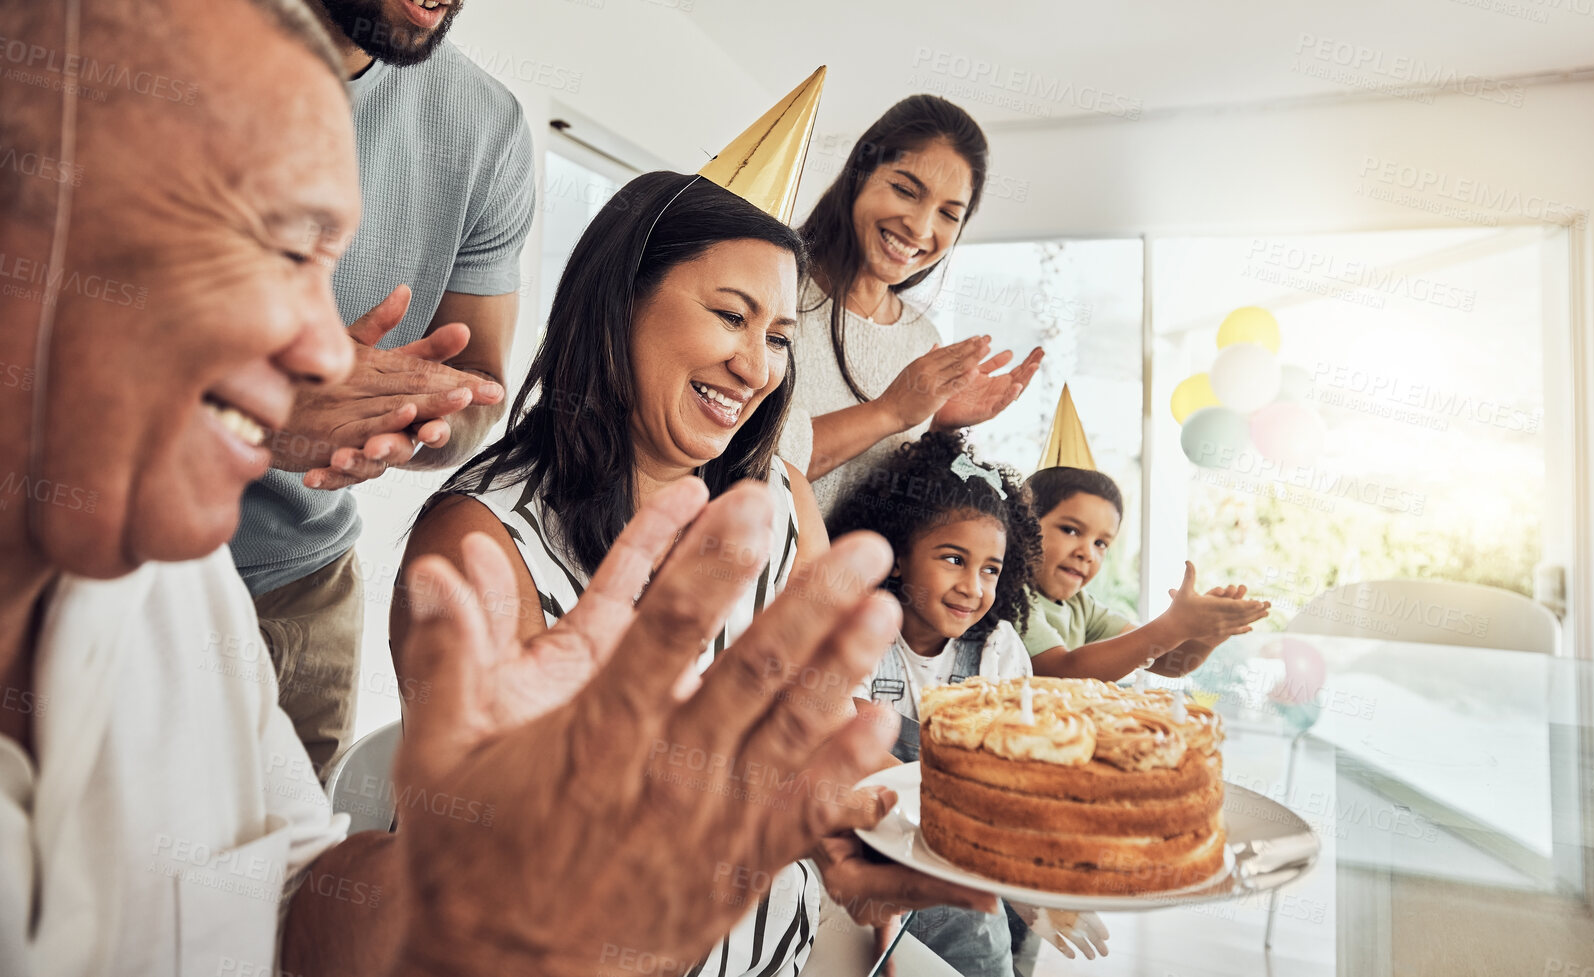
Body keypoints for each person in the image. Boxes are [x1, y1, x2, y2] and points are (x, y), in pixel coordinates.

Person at [0, 0, 910, 977]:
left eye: (779, 334)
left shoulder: (182, 605)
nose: (324, 345)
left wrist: (500, 902)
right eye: (263, 243)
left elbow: (283, 899)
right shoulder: (482, 546)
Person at [399, 165, 998, 973]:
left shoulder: (776, 498)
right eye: (730, 316)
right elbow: (503, 851)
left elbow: (823, 718)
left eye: (779, 335)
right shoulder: (483, 539)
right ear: (620, 302)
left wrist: (971, 831)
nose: (758, 367)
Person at [229, 0, 536, 773]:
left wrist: (401, 417)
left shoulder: (485, 130)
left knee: (261, 905)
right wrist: (248, 412)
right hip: (53, 551)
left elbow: (475, 386)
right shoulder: (96, 21)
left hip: (295, 591)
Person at [831, 431, 1107, 976]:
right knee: (972, 920)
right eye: (953, 559)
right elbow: (856, 752)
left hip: (975, 831)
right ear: (897, 556)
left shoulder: (998, 647)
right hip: (883, 831)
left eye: (989, 569)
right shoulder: (861, 635)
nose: (973, 586)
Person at [779, 95, 1043, 518]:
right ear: (859, 175)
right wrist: (890, 412)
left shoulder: (922, 338)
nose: (921, 227)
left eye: (948, 214)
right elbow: (746, 462)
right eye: (905, 190)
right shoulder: (775, 291)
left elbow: (891, 503)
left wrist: (936, 426)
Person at [1023, 389, 1270, 680]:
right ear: (1023, 526)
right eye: (1071, 530)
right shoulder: (1011, 598)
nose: (1086, 552)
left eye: (1101, 542)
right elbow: (1063, 670)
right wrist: (1173, 626)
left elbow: (1166, 661)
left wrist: (1203, 635)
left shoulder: (1081, 606)